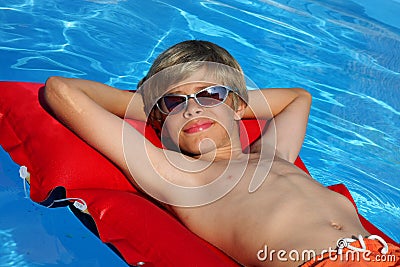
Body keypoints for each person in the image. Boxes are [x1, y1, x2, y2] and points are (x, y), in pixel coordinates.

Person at [44, 40, 399, 266]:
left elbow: (298, 97)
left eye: (209, 94)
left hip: (383, 254)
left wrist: (233, 102)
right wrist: (147, 104)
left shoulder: (273, 154)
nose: (193, 109)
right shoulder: (180, 175)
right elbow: (61, 90)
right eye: (174, 102)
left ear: (238, 105)